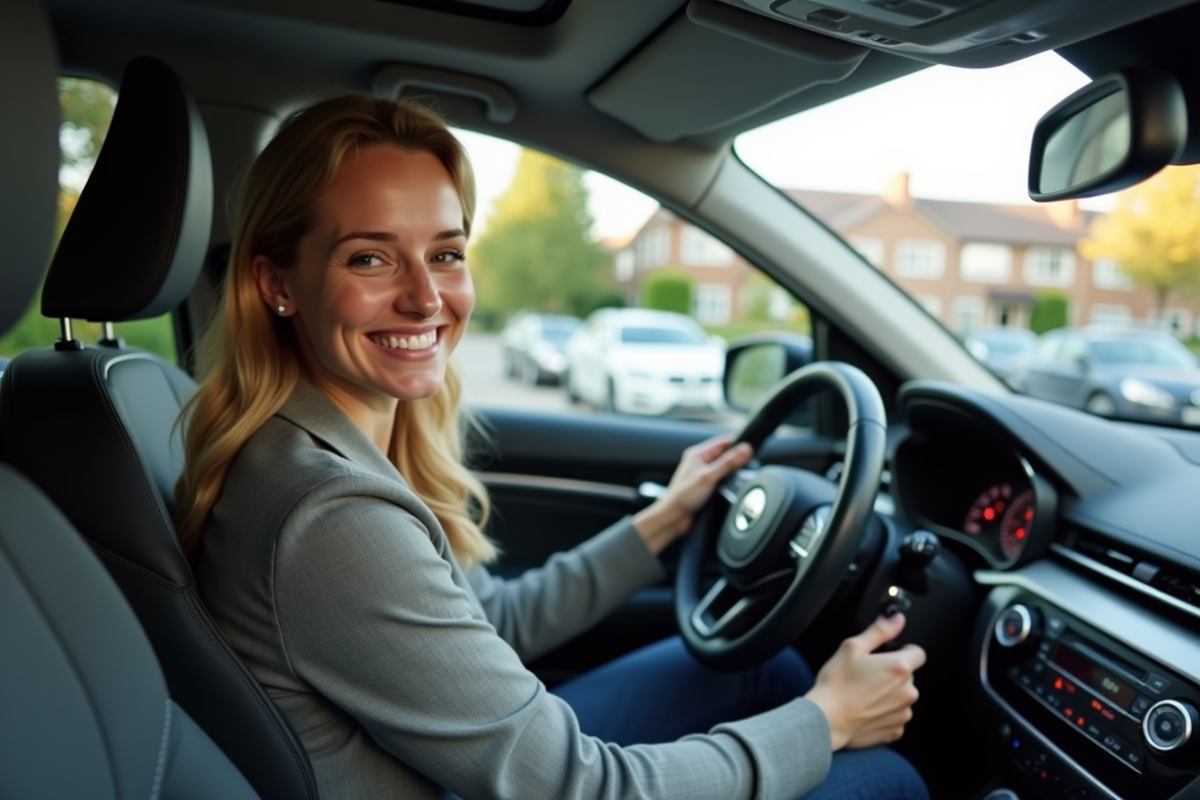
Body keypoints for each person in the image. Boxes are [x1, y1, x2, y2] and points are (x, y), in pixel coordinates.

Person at [176, 93, 928, 800]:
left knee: (766, 668)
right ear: (278, 283)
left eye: (445, 253)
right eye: (370, 258)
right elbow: (581, 787)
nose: (426, 299)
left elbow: (492, 621)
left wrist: (664, 520)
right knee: (885, 774)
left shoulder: (326, 446)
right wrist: (828, 720)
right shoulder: (332, 514)